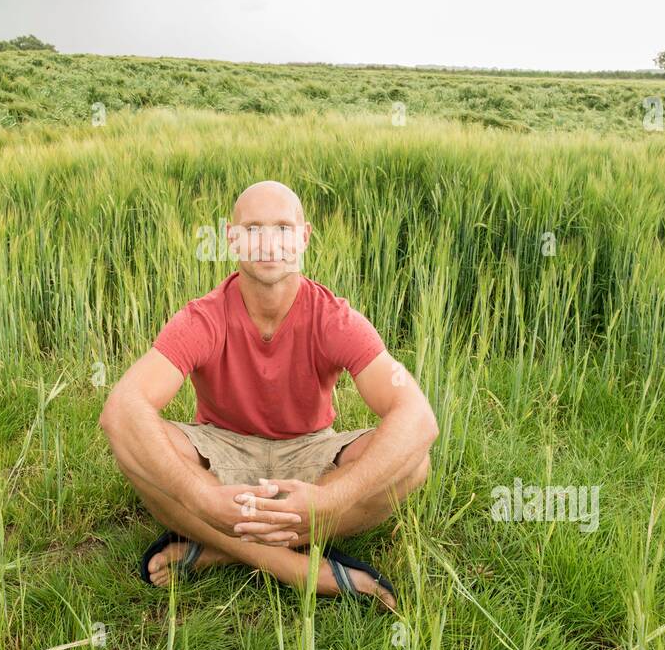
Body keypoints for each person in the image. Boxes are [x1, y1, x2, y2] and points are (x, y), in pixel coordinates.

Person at [99, 180, 438, 611]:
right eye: (253, 228)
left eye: (281, 228)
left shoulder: (335, 318)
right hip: (221, 449)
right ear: (232, 238)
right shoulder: (202, 317)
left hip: (309, 452)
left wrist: (329, 498)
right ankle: (298, 569)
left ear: (303, 236)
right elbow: (122, 408)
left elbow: (418, 417)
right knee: (137, 445)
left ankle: (222, 546)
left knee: (414, 465)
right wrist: (203, 497)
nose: (268, 243)